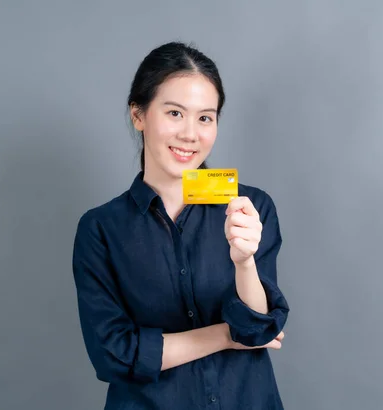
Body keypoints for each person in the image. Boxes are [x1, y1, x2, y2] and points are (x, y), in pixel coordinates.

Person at [72, 41, 290, 409]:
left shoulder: (250, 209)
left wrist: (244, 261)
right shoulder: (101, 229)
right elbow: (114, 355)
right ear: (138, 115)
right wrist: (224, 335)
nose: (191, 134)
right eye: (174, 113)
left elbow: (256, 328)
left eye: (205, 117)